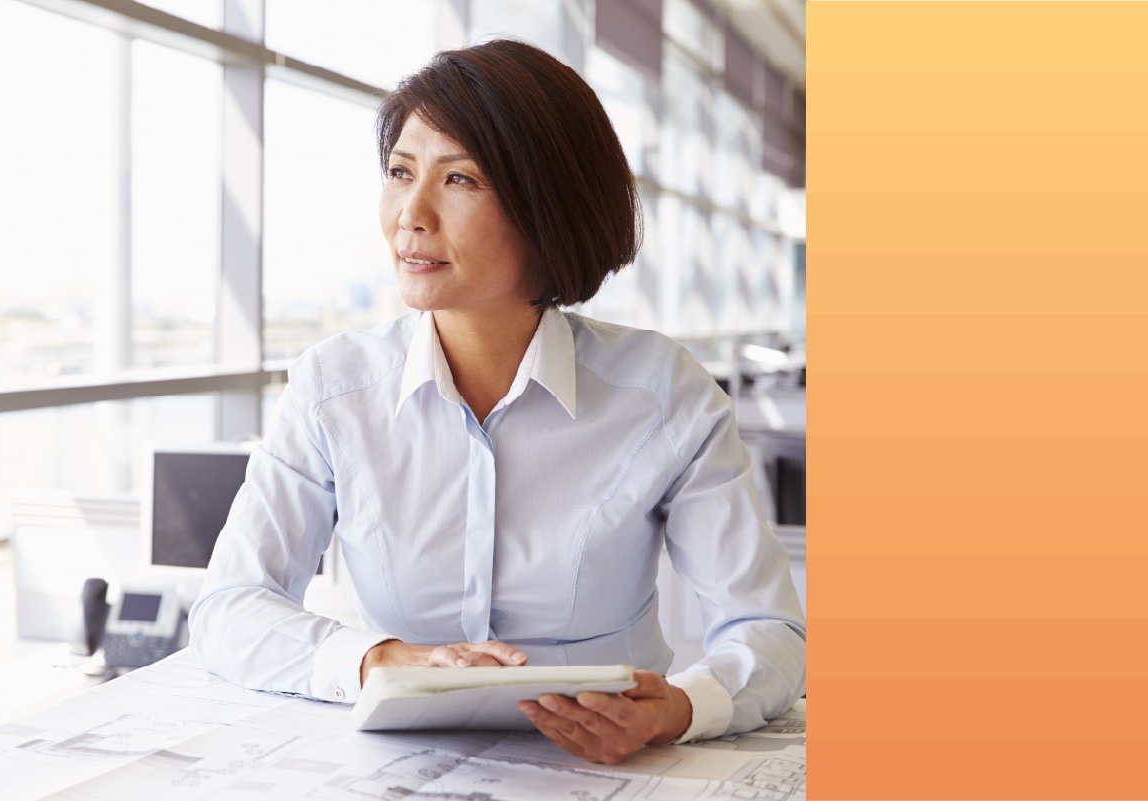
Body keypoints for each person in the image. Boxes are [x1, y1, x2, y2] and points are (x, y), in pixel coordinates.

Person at [188, 38, 805, 766]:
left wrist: (679, 706)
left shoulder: (662, 393)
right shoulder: (335, 388)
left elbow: (768, 630)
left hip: (604, 769)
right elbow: (230, 608)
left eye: (460, 180)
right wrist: (381, 659)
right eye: (399, 173)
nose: (410, 215)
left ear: (547, 205)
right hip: (397, 771)